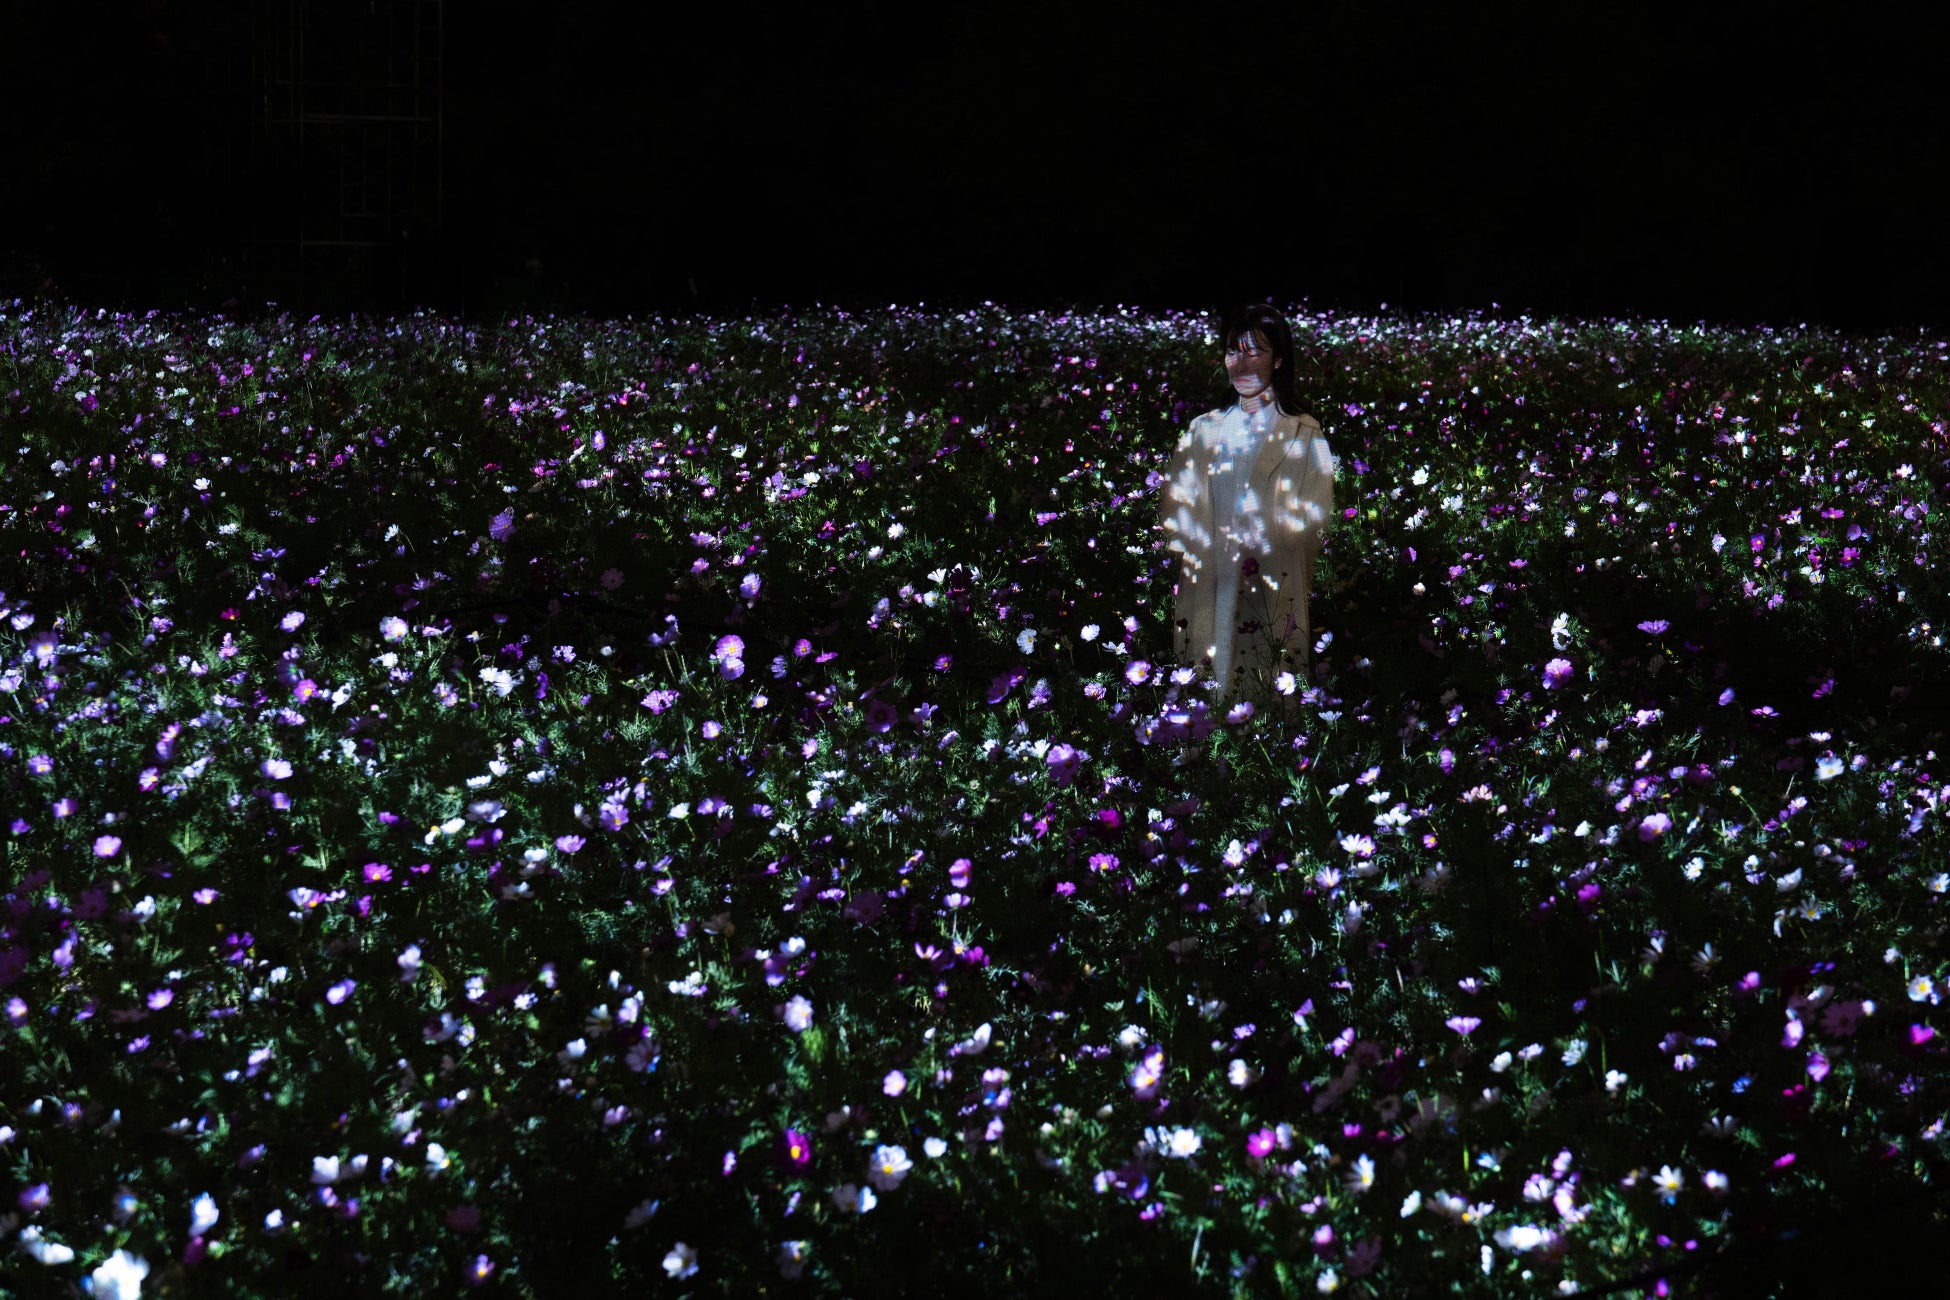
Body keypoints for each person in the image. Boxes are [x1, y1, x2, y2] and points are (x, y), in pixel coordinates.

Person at [1158, 303, 1338, 717]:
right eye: (1231, 351)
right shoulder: (1203, 430)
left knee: (1268, 692)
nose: (1239, 363)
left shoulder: (1305, 431)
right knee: (1207, 693)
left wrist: (1263, 541)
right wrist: (1204, 545)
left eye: (1254, 352)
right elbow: (1176, 507)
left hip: (1271, 583)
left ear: (1278, 359)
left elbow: (1316, 512)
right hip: (1212, 581)